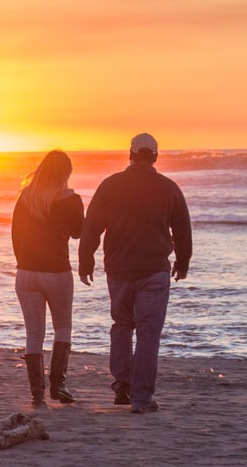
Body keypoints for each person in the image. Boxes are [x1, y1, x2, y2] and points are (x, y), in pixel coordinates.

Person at [78, 133, 191, 413]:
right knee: (148, 334)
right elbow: (183, 230)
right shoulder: (169, 188)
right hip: (154, 271)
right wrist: (183, 262)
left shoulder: (110, 186)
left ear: (129, 154)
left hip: (118, 270)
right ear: (154, 156)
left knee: (121, 327)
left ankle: (122, 386)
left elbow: (91, 226)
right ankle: (140, 399)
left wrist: (85, 261)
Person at [11, 150, 84, 407]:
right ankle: (58, 386)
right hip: (57, 272)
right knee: (62, 327)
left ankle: (37, 394)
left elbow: (15, 237)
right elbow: (78, 233)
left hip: (26, 273)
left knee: (34, 334)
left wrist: (25, 263)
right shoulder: (71, 199)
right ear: (65, 174)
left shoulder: (26, 198)